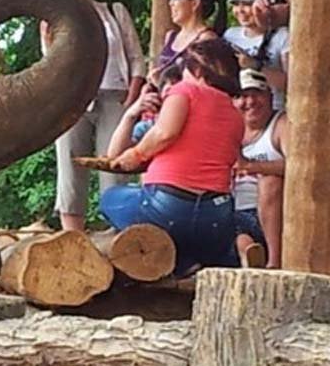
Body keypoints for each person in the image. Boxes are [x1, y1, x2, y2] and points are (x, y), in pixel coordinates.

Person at [99, 39, 244, 276]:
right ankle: (202, 260)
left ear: (197, 71)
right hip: (217, 217)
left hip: (167, 208)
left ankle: (178, 263)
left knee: (109, 199)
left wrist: (136, 154)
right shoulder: (235, 113)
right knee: (204, 240)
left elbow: (165, 133)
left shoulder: (184, 91)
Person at [40, 0, 147, 232]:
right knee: (70, 162)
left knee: (113, 161)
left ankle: (117, 228)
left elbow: (135, 57)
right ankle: (72, 233)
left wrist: (133, 95)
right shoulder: (52, 21)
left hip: (114, 94)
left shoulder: (113, 12)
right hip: (73, 99)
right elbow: (50, 65)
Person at [232, 69, 289, 269]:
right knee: (241, 240)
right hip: (231, 213)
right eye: (242, 96)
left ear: (270, 97)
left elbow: (298, 166)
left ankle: (274, 263)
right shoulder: (228, 128)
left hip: (271, 214)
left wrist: (252, 167)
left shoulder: (281, 124)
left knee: (270, 181)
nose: (250, 102)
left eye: (257, 94)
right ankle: (250, 256)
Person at [223, 0, 290, 110]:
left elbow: (290, 83)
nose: (240, 10)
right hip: (237, 108)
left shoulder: (282, 36)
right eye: (236, 4)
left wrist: (256, 66)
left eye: (248, 4)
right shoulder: (230, 34)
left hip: (271, 109)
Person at [149, 0, 223, 82]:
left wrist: (162, 83)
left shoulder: (206, 39)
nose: (171, 3)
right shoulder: (171, 36)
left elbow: (205, 82)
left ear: (195, 3)